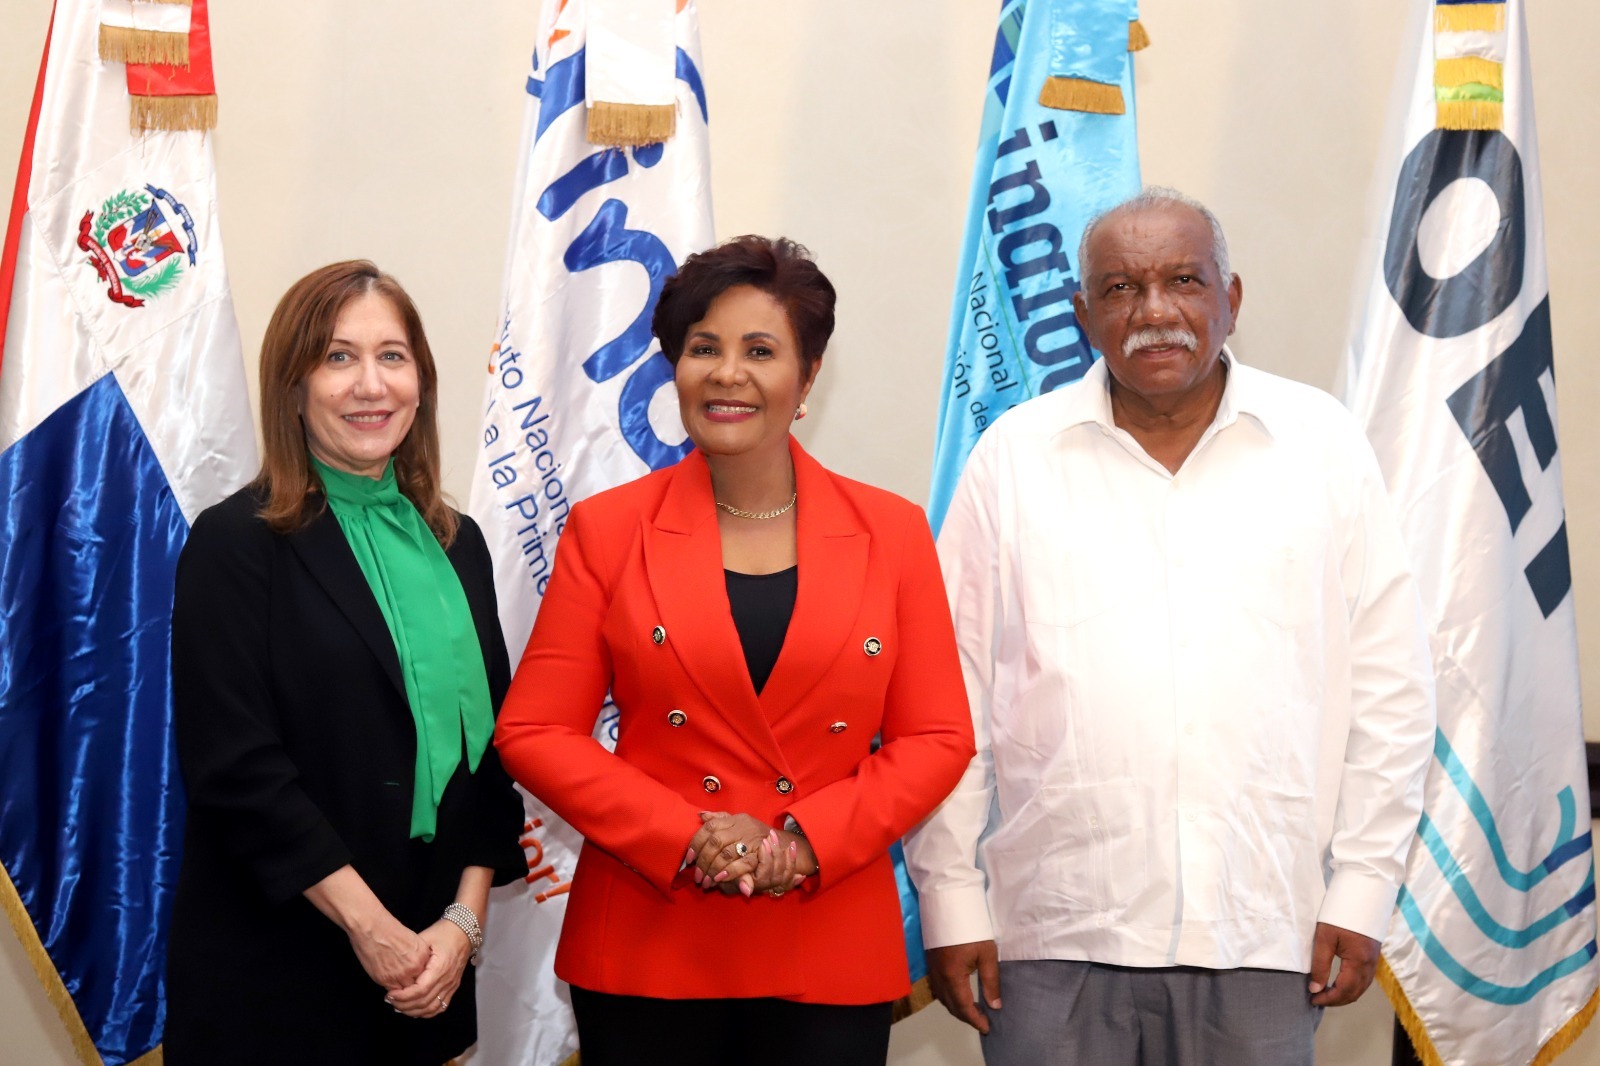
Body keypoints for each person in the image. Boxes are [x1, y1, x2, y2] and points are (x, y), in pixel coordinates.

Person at [904, 188, 1437, 1065]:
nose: (1154, 311)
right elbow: (949, 697)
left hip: (1265, 930)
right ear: (1082, 314)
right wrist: (951, 900)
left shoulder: (1322, 447)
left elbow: (1393, 691)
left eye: (1184, 280)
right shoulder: (1013, 459)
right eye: (1120, 288)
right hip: (1051, 932)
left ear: (1232, 299)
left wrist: (1363, 888)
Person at [493, 235, 976, 1066]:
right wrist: (686, 835)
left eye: (760, 350)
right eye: (703, 348)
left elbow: (937, 736)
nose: (727, 374)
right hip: (650, 939)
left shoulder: (891, 533)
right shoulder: (609, 531)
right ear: (673, 368)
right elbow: (534, 731)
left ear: (808, 377)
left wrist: (806, 839)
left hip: (826, 938)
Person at [164, 261, 526, 1064]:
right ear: (293, 388)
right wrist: (373, 931)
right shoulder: (236, 543)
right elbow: (236, 770)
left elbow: (493, 758)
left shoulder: (458, 544)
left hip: (429, 971)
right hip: (278, 978)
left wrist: (461, 927)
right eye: (337, 357)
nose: (371, 384)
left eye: (392, 356)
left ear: (421, 383)